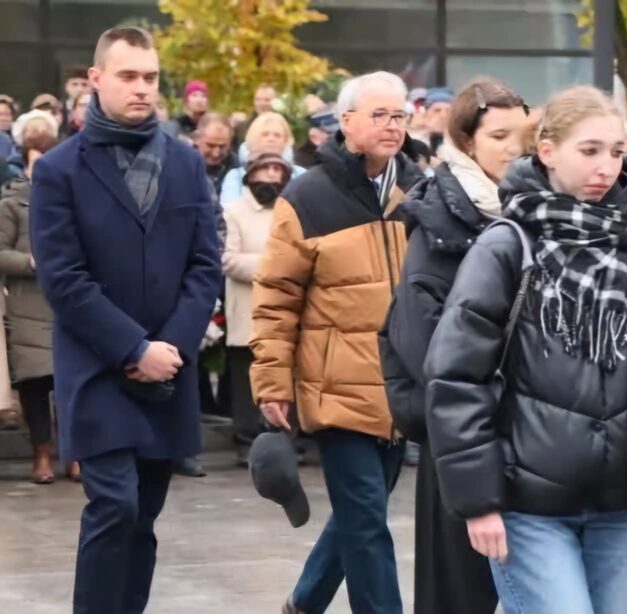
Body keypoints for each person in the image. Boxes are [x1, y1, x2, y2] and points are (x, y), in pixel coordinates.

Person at [423, 85, 627, 614]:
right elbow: (457, 377)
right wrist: (478, 499)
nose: (606, 166)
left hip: (622, 501)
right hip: (527, 501)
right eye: (589, 150)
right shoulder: (507, 246)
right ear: (548, 151)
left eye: (617, 152)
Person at [29, 27, 220, 613]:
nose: (142, 88)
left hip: (169, 370)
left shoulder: (186, 163)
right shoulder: (58, 170)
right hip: (97, 367)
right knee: (115, 504)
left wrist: (173, 346)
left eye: (150, 77)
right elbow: (63, 278)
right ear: (95, 79)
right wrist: (133, 349)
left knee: (144, 516)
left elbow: (204, 264)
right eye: (128, 76)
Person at [249, 71, 423, 614]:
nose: (392, 125)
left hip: (399, 386)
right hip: (335, 389)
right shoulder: (307, 197)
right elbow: (276, 298)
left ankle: (304, 602)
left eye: (399, 115)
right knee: (366, 519)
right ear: (345, 121)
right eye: (379, 114)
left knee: (359, 514)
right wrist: (272, 381)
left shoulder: (420, 190)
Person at [381, 77, 528, 614]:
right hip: (460, 428)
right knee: (458, 594)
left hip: (531, 434)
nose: (514, 149)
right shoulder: (439, 214)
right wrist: (473, 400)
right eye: (499, 136)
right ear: (466, 141)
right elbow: (421, 337)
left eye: (523, 136)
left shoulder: (537, 210)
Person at [0, 130, 76, 483]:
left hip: (68, 302)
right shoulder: (11, 203)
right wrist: (30, 261)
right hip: (27, 305)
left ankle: (75, 454)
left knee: (70, 384)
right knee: (34, 384)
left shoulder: (73, 198)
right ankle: (42, 454)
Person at [222, 152, 292, 466]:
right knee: (244, 377)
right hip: (247, 309)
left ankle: (286, 437)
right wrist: (275, 265)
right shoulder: (233, 212)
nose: (272, 176)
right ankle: (245, 440)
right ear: (250, 176)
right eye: (265, 170)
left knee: (285, 373)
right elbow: (228, 259)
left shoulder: (290, 211)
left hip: (285, 308)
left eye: (278, 170)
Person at [220, 112, 305, 205]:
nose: (271, 139)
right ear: (253, 139)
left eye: (277, 135)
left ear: (286, 141)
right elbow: (228, 209)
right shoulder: (235, 176)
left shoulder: (300, 175)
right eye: (265, 134)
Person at [194, 112, 238, 196]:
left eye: (222, 146)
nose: (216, 154)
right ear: (197, 139)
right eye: (210, 146)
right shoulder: (181, 164)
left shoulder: (237, 168)